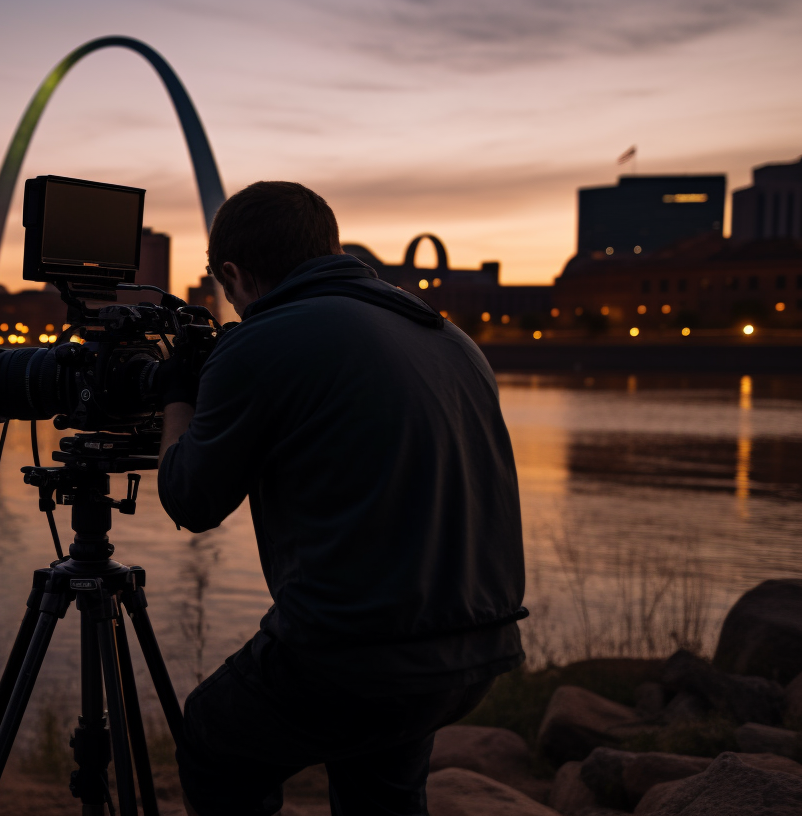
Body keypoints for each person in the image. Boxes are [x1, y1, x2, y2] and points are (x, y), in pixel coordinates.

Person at [155, 181, 527, 816]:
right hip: (475, 653)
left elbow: (190, 499)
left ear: (235, 275)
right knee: (380, 790)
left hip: (354, 657)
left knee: (213, 739)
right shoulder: (448, 336)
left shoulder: (264, 340)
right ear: (326, 248)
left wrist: (176, 398)